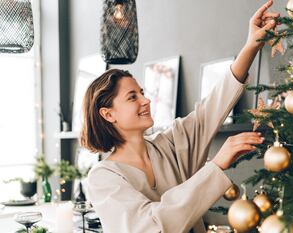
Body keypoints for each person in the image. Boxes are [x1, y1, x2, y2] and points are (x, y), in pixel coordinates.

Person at [82, 1, 279, 232]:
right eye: (132, 97)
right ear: (108, 114)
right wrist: (215, 166)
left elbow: (212, 107)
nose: (145, 101)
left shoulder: (170, 143)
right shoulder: (103, 177)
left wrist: (251, 45)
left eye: (142, 93)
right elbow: (150, 226)